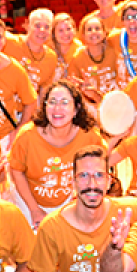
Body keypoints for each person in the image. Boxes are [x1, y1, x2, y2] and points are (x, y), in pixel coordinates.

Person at [9, 79, 105, 228]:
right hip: (28, 202)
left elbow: (103, 161)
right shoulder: (27, 135)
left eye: (64, 102)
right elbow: (16, 171)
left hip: (68, 202)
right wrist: (34, 210)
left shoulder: (89, 135)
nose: (57, 108)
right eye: (52, 102)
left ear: (76, 109)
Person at [67, 13, 116, 109]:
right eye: (89, 29)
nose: (93, 32)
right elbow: (73, 87)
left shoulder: (114, 52)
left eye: (97, 29)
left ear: (104, 32)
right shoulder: (77, 57)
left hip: (114, 103)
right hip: (90, 106)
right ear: (83, 36)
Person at [105, 2, 137, 89]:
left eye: (136, 17)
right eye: (128, 18)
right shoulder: (114, 38)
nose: (132, 21)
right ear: (123, 22)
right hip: (122, 94)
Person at [50, 12, 83, 79]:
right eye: (60, 30)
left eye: (68, 29)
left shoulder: (80, 50)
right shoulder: (48, 49)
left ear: (74, 30)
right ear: (54, 33)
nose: (65, 33)